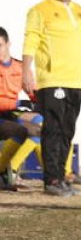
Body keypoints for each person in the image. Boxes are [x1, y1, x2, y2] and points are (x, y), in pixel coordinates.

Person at [22, 0, 81, 197]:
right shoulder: (39, 10)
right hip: (53, 79)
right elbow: (31, 41)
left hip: (75, 81)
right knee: (53, 130)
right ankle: (51, 180)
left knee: (67, 130)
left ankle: (63, 177)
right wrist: (27, 71)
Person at [0, 27, 42, 190]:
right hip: (3, 114)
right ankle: (8, 171)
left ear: (8, 44)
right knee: (23, 130)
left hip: (11, 114)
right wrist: (19, 104)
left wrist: (44, 100)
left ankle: (54, 175)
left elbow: (33, 92)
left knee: (40, 124)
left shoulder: (20, 67)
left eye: (0, 45)